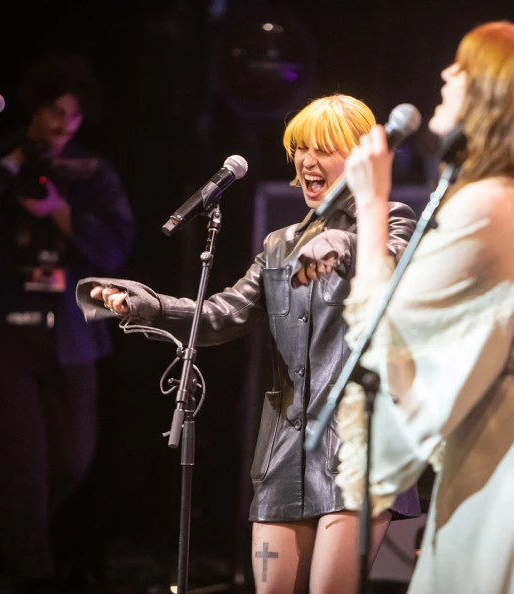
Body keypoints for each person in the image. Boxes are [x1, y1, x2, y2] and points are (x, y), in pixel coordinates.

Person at [75, 94, 420, 594]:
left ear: (361, 157)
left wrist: (345, 242)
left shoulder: (393, 219)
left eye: (322, 148)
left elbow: (390, 272)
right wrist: (145, 304)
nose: (306, 161)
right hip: (286, 448)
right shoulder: (279, 245)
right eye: (299, 148)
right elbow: (222, 314)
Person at [334, 22, 514, 592]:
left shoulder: (492, 205)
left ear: (491, 94)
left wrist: (371, 206)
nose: (445, 75)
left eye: (462, 68)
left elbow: (387, 331)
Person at [0, 54, 135, 591]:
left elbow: (116, 247)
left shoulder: (92, 172)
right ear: (36, 107)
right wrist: (13, 163)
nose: (63, 125)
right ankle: (35, 579)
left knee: (71, 459)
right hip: (0, 335)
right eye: (55, 112)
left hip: (72, 335)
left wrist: (56, 209)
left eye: (74, 117)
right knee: (20, 468)